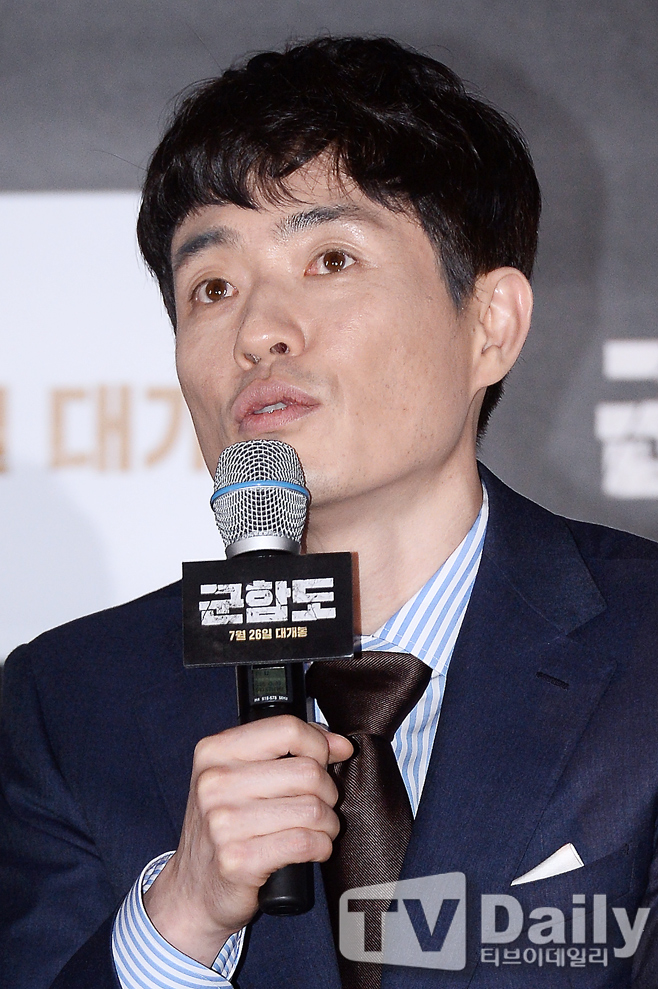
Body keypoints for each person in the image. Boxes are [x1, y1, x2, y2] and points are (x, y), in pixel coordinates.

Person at [1, 35, 657, 989]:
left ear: (491, 326)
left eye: (330, 258)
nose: (259, 331)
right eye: (212, 287)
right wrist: (178, 922)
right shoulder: (67, 704)